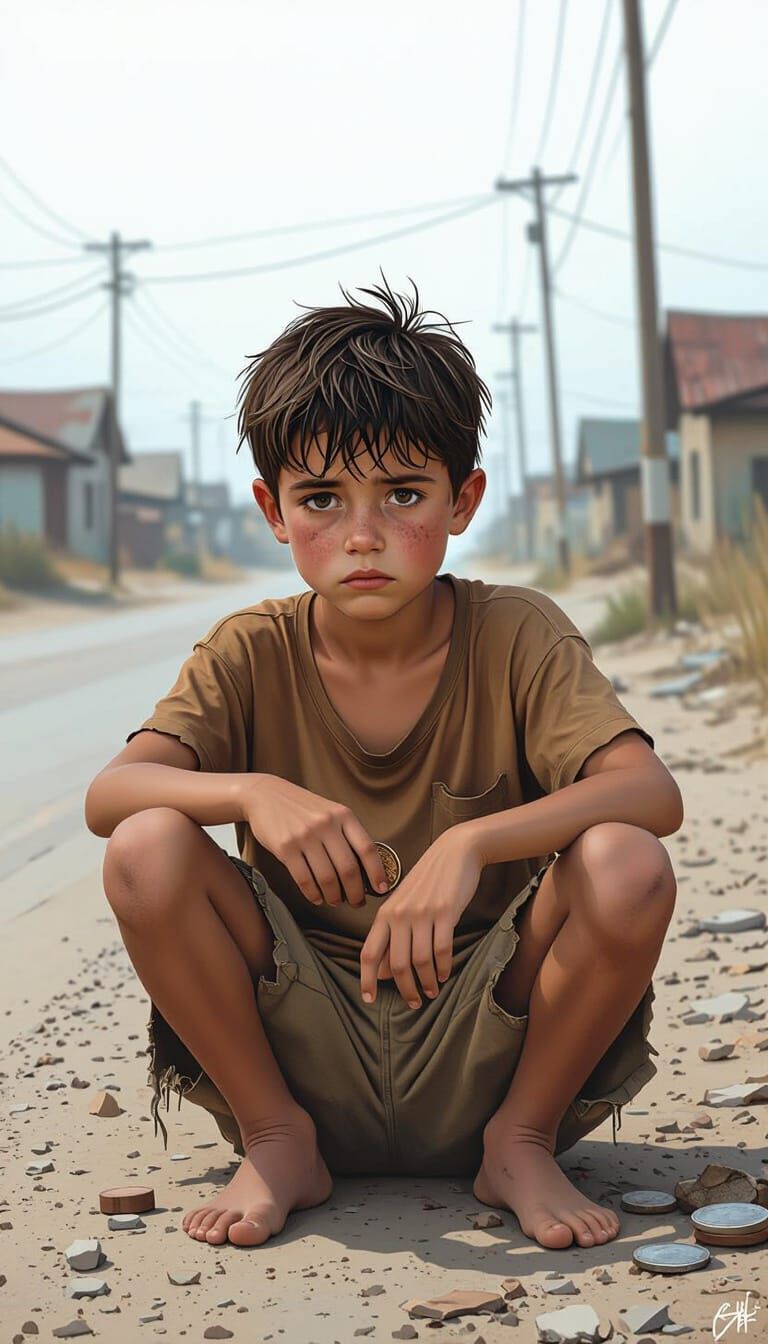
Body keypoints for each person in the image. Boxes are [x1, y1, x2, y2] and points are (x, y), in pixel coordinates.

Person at [84, 274, 683, 1253]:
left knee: (622, 859)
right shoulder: (250, 651)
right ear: (274, 510)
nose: (362, 535)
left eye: (403, 494)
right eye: (322, 498)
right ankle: (278, 1143)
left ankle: (521, 1144)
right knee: (147, 846)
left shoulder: (516, 633)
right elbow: (111, 796)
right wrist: (251, 790)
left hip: (489, 1043)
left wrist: (471, 846)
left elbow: (648, 795)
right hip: (303, 1046)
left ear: (463, 499)